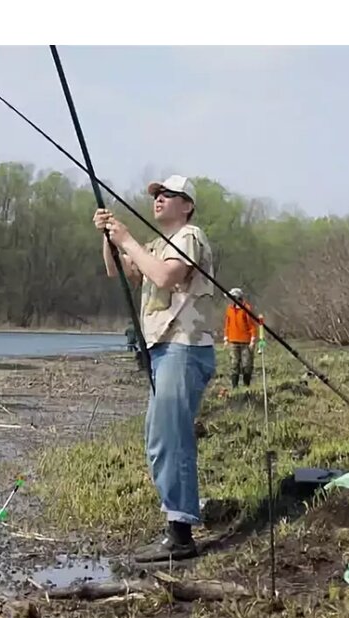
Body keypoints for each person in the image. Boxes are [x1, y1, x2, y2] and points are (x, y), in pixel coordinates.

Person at [93, 174, 217, 562]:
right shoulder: (156, 244)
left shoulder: (189, 237)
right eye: (157, 194)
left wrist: (126, 238)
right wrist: (110, 236)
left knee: (171, 438)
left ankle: (180, 536)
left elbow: (165, 275)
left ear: (188, 205)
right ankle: (175, 526)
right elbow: (122, 271)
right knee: (159, 436)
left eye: (169, 195)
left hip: (184, 347)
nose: (159, 199)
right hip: (163, 349)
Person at [222, 288, 260, 388]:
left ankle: (246, 385)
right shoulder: (229, 309)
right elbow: (227, 324)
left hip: (246, 341)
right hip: (233, 341)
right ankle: (235, 386)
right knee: (234, 363)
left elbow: (252, 324)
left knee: (246, 364)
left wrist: (253, 339)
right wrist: (226, 337)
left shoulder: (246, 308)